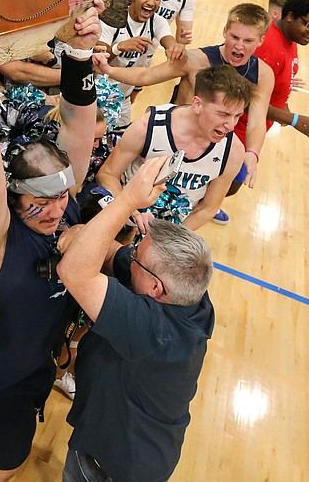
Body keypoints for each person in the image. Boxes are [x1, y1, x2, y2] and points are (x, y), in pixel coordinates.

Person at [0, 7, 102, 481]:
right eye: (41, 201)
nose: (56, 211)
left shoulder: (62, 207)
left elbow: (77, 128)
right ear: (17, 199)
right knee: (3, 465)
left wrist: (77, 55)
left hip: (30, 371)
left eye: (61, 197)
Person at [57, 157, 215, 482]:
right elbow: (111, 252)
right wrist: (85, 236)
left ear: (157, 289)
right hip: (130, 445)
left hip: (116, 468)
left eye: (137, 258)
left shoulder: (154, 331)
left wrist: (128, 198)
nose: (131, 257)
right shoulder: (192, 295)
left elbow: (73, 270)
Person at [94, 3, 275, 194]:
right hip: (172, 141)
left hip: (211, 148)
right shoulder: (195, 59)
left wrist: (252, 152)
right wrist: (108, 70)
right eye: (234, 37)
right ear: (224, 31)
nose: (239, 46)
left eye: (248, 41)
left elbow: (257, 121)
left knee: (217, 193)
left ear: (261, 40)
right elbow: (146, 76)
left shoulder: (263, 75)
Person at [97, 65, 251, 229]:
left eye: (237, 116)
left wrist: (167, 238)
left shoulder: (233, 151)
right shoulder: (148, 126)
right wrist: (131, 214)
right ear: (197, 104)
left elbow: (208, 208)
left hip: (174, 231)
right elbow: (107, 174)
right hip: (128, 217)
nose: (231, 125)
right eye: (224, 114)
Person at [96, 0, 185, 124]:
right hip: (98, 96)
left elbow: (168, 40)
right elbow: (97, 61)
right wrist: (119, 47)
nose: (151, 2)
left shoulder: (157, 22)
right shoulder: (112, 19)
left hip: (123, 99)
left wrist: (175, 47)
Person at [253, 0, 309, 144]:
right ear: (290, 16)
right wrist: (293, 119)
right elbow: (244, 99)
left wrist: (283, 105)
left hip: (257, 129)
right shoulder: (267, 47)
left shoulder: (291, 37)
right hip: (239, 134)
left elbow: (275, 83)